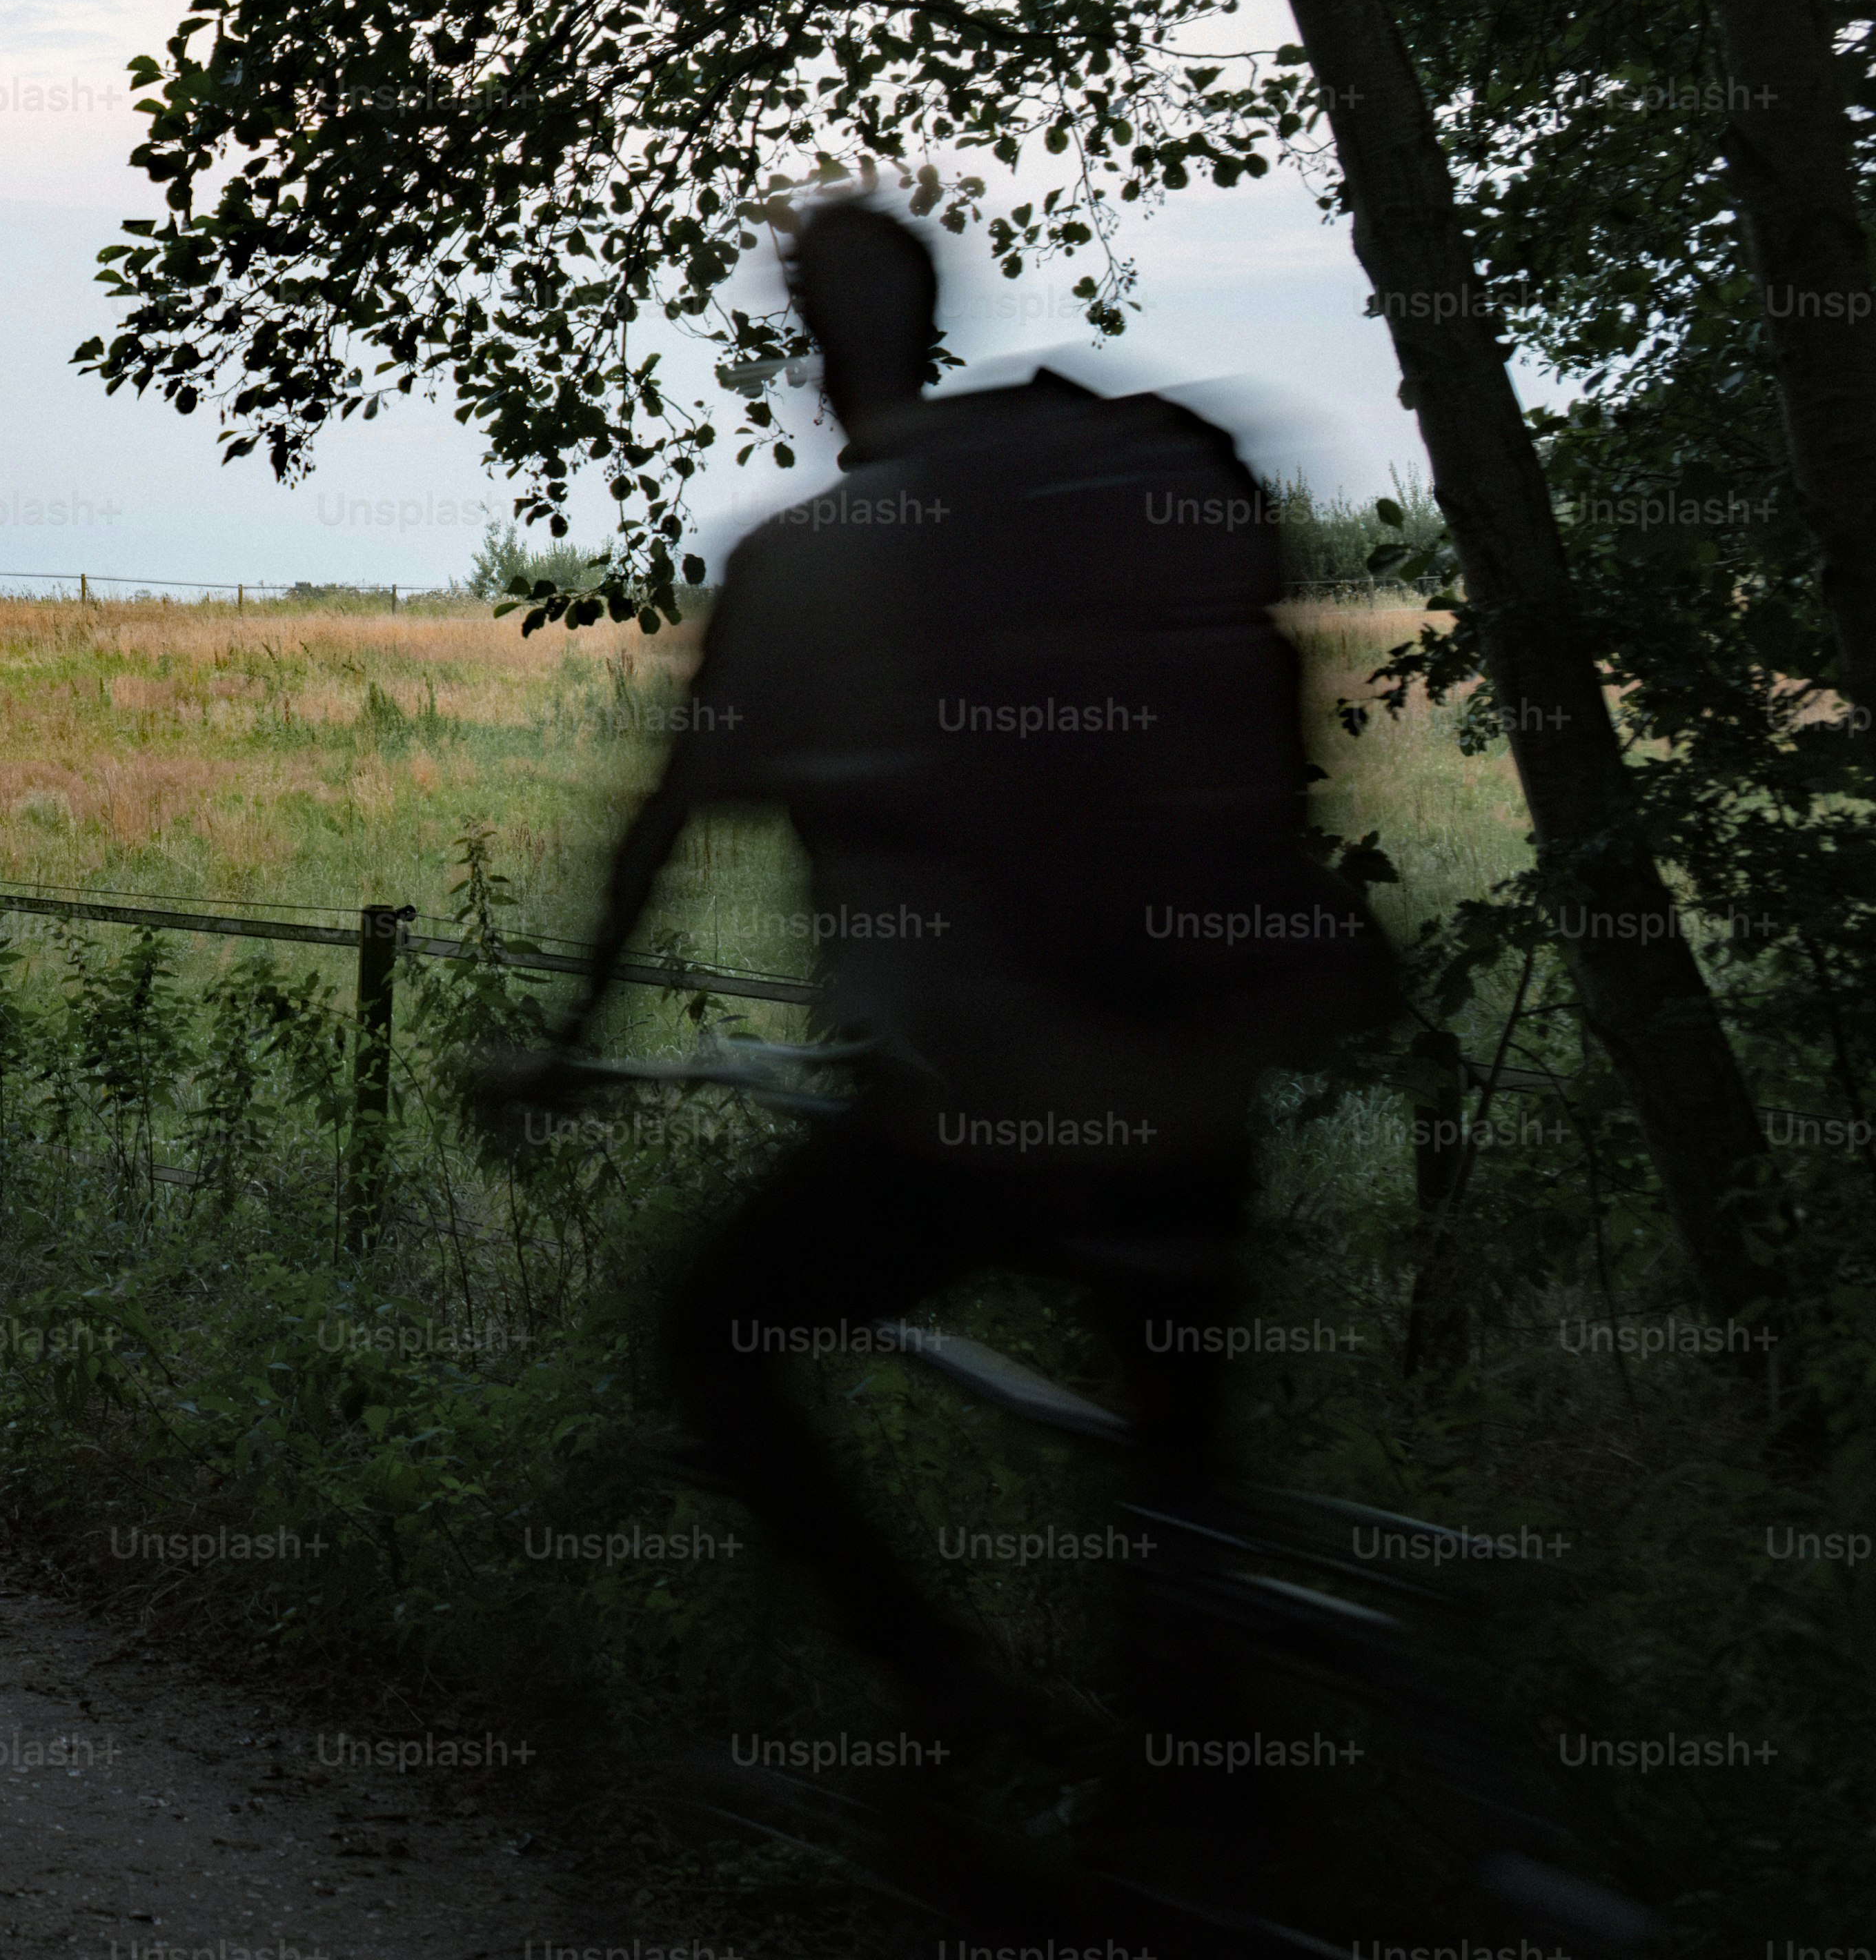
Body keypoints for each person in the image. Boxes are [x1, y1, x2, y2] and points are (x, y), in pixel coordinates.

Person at [530, 195, 1396, 1791]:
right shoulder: (1091, 494)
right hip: (1205, 1078)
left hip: (986, 1098)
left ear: (807, 345)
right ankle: (1196, 1814)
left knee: (716, 1333)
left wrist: (569, 1045)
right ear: (934, 313)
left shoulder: (809, 560)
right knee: (1173, 1477)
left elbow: (665, 825)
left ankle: (960, 1698)